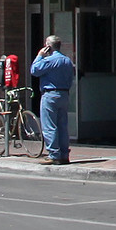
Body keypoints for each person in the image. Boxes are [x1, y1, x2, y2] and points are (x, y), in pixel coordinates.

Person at [31, 35, 75, 165]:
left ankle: (54, 154)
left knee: (50, 125)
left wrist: (39, 55)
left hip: (50, 94)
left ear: (48, 46)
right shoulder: (67, 61)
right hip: (64, 94)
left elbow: (34, 70)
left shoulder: (50, 60)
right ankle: (64, 154)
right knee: (62, 125)